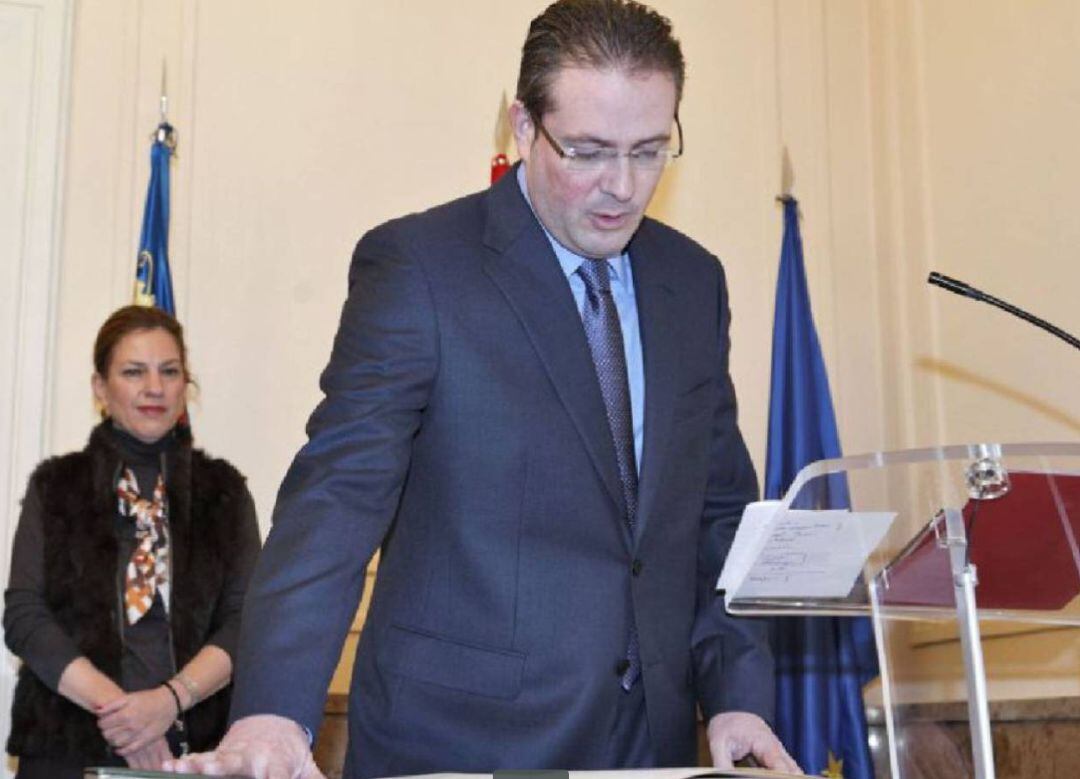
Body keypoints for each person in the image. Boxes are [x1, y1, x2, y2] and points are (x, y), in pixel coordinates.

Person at [169, 1, 801, 777]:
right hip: (462, 740)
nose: (623, 186)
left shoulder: (692, 281)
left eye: (649, 151)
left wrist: (737, 693)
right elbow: (338, 497)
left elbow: (718, 509)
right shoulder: (422, 267)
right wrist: (273, 711)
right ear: (524, 126)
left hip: (650, 742)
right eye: (588, 151)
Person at [4, 305, 262, 778]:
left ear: (186, 384)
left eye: (169, 371)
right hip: (67, 748)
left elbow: (246, 620)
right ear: (100, 388)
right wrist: (123, 716)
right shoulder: (56, 486)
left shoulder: (224, 492)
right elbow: (24, 616)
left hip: (194, 751)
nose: (154, 387)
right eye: (133, 372)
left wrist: (168, 702)